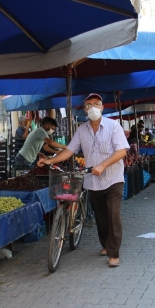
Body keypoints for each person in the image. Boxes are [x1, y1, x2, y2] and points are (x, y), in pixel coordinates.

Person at [38, 93, 129, 268]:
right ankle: (105, 244)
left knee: (113, 215)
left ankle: (113, 253)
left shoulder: (113, 126)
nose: (93, 107)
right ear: (85, 109)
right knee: (101, 218)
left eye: (96, 104)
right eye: (89, 104)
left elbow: (121, 152)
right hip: (93, 182)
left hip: (113, 178)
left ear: (102, 107)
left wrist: (102, 166)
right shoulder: (82, 130)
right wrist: (49, 160)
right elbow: (70, 150)